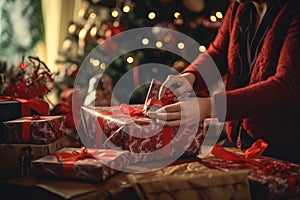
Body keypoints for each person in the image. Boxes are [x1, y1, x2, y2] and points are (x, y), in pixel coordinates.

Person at [149, 0, 300, 163]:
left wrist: (209, 107)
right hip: (239, 140)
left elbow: (286, 85)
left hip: (283, 150)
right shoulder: (239, 5)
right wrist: (190, 77)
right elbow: (218, 52)